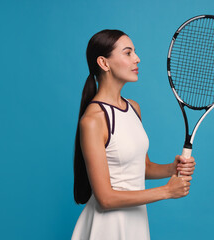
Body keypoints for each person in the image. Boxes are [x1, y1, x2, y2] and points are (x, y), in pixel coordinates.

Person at [71, 29, 196, 240]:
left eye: (134, 52)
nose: (137, 59)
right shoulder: (93, 120)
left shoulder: (133, 108)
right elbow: (105, 198)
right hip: (107, 227)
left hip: (136, 222)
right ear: (104, 63)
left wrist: (172, 168)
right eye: (128, 53)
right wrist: (166, 191)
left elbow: (142, 168)